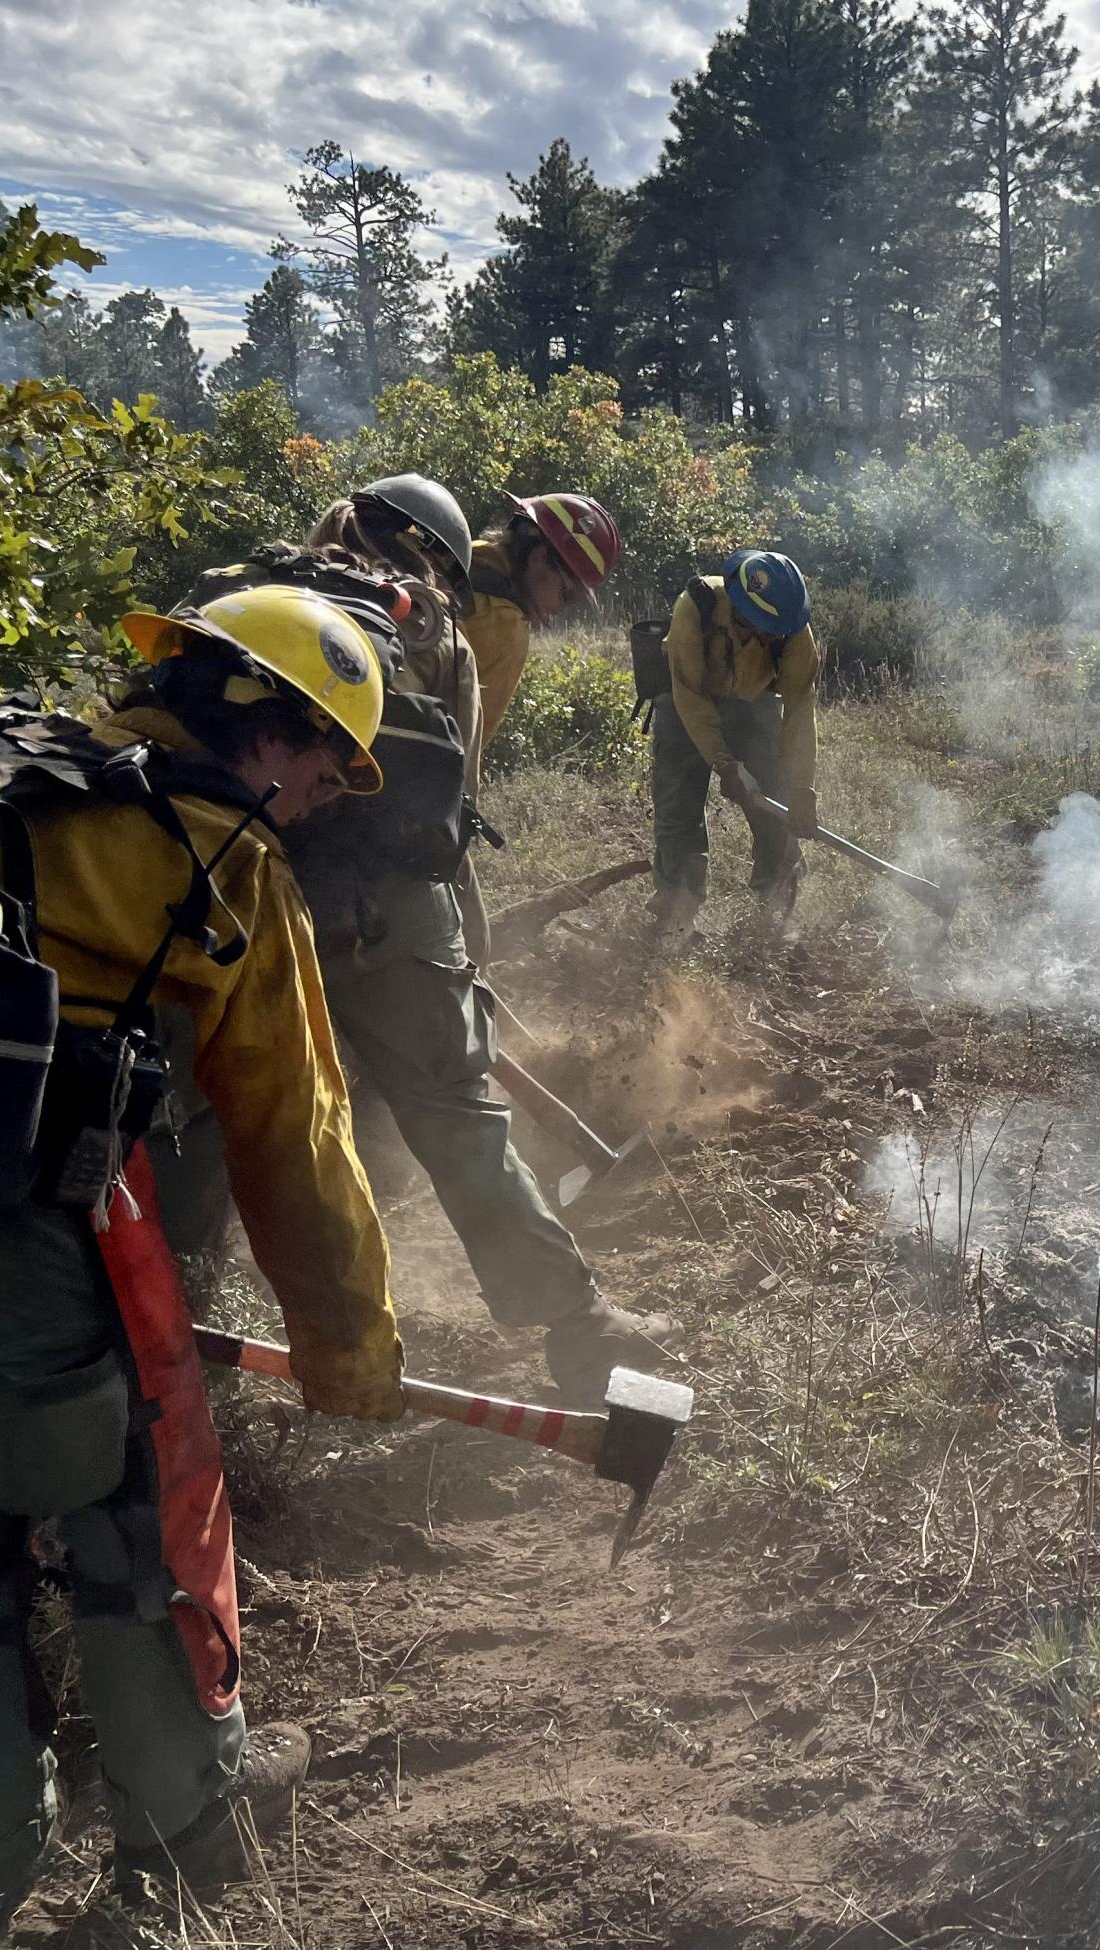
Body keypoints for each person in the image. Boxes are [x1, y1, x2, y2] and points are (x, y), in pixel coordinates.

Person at [0, 588, 408, 1944]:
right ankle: (198, 1817)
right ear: (268, 722)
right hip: (19, 1251)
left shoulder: (0, 767)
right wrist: (349, 1343)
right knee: (133, 1512)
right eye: (326, 760)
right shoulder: (218, 856)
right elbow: (293, 1133)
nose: (322, 795)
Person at [294, 474, 670, 1398]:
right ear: (528, 553)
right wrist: (463, 946)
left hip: (234, 888)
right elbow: (443, 799)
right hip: (375, 901)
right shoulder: (463, 632)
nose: (565, 604)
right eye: (567, 585)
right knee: (454, 1105)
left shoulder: (266, 591)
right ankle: (578, 1327)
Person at [649, 549, 823, 943]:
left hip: (753, 704)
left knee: (777, 808)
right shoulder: (696, 606)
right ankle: (677, 917)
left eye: (775, 630)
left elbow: (799, 713)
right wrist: (725, 764)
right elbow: (689, 695)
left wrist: (802, 790)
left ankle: (773, 915)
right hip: (686, 706)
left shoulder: (795, 632)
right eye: (761, 626)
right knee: (679, 811)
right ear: (740, 606)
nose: (769, 636)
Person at [462, 492, 623, 739]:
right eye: (567, 595)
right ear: (539, 559)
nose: (562, 608)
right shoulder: (507, 627)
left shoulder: (469, 555)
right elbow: (469, 739)